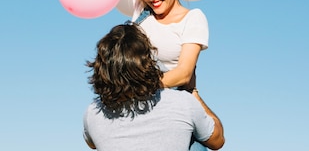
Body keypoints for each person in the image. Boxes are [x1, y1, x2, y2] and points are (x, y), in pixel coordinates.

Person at [83, 23, 225, 151]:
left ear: (101, 68)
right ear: (147, 61)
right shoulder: (183, 103)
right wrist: (191, 91)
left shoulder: (92, 113)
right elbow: (217, 141)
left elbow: (92, 143)